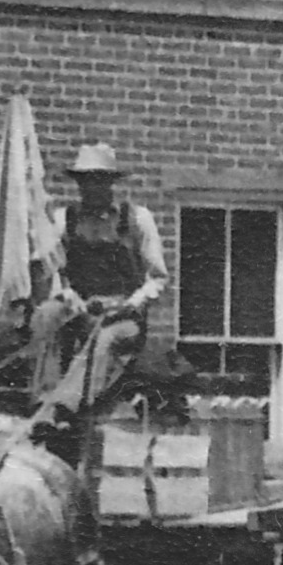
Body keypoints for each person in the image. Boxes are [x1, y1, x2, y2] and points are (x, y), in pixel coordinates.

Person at [30, 140, 169, 423]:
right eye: (85, 182)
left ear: (110, 184)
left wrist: (131, 305)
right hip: (81, 308)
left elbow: (158, 278)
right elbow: (50, 268)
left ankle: (62, 407)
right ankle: (43, 399)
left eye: (98, 181)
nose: (91, 189)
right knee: (47, 314)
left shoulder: (137, 219)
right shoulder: (64, 220)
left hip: (123, 317)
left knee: (107, 337)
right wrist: (68, 296)